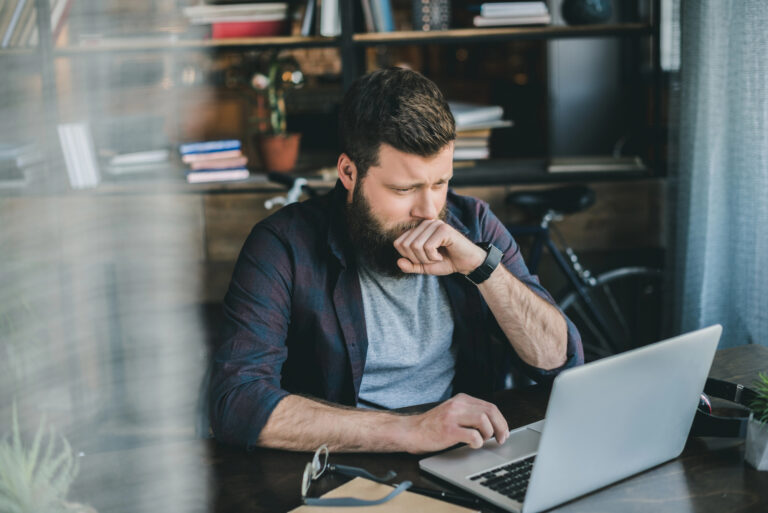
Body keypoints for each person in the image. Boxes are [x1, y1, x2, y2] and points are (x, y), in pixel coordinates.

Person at [209, 67, 583, 454]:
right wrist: (408, 431)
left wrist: (483, 269)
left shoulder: (472, 223)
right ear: (349, 173)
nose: (429, 210)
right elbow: (236, 402)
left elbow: (558, 360)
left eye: (440, 183)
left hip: (461, 455)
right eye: (405, 189)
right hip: (344, 469)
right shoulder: (283, 244)